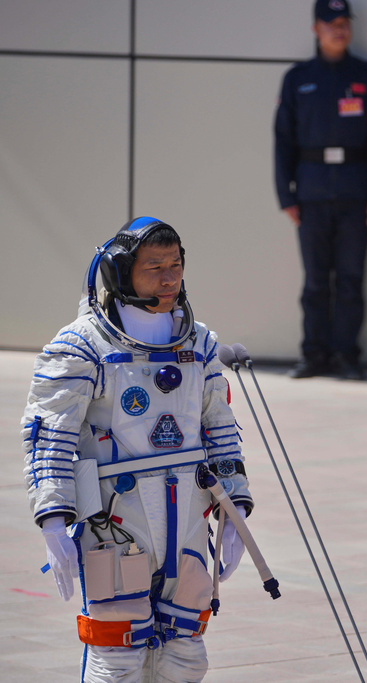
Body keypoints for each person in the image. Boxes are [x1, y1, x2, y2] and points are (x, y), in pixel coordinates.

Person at [24, 218, 254, 681]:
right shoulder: (82, 346)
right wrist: (52, 517)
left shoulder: (199, 342)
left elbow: (220, 428)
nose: (170, 279)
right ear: (119, 273)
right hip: (116, 524)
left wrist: (236, 508)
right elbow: (50, 434)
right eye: (155, 268)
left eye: (176, 265)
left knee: (186, 655)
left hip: (187, 523)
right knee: (119, 657)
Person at [274, 0, 367, 379]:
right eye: (330, 23)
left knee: (350, 280)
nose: (338, 30)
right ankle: (313, 355)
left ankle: (347, 356)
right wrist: (286, 195)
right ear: (316, 29)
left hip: (357, 193)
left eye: (344, 23)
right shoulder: (298, 78)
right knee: (314, 281)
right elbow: (282, 140)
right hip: (310, 193)